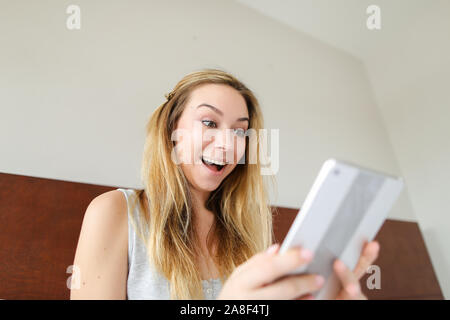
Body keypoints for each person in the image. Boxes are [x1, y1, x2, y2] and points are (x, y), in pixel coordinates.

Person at [70, 69, 379, 300]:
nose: (228, 144)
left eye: (240, 132)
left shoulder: (248, 230)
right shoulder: (115, 212)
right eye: (209, 123)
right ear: (170, 129)